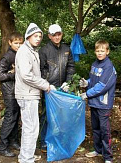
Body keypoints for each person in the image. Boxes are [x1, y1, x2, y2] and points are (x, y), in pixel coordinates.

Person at [15, 23, 55, 163]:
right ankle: (26, 159)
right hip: (27, 95)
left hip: (30, 94)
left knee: (31, 127)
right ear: (28, 36)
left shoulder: (32, 51)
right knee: (30, 128)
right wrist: (45, 85)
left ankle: (27, 155)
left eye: (40, 36)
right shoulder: (24, 52)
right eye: (35, 36)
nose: (38, 39)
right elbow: (26, 75)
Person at [39, 24, 75, 152]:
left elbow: (71, 66)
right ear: (49, 36)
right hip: (49, 89)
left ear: (62, 34)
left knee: (62, 115)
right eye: (54, 35)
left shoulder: (66, 49)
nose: (57, 37)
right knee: (46, 115)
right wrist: (47, 84)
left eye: (59, 34)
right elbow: (41, 70)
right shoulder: (44, 50)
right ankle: (43, 141)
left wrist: (68, 82)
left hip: (63, 88)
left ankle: (59, 139)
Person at [79, 40, 117, 163]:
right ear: (95, 52)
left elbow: (102, 86)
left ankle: (108, 157)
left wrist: (86, 94)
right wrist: (87, 83)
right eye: (98, 51)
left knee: (104, 130)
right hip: (94, 102)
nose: (100, 53)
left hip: (103, 104)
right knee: (95, 128)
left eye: (102, 51)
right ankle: (98, 150)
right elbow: (94, 80)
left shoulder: (108, 67)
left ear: (107, 51)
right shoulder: (95, 64)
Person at [0, 32, 24, 157]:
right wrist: (13, 74)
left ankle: (13, 141)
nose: (18, 45)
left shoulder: (19, 54)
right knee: (10, 117)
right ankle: (2, 146)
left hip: (17, 90)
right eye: (16, 43)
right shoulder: (7, 57)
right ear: (10, 43)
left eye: (20, 43)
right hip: (9, 91)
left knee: (16, 116)